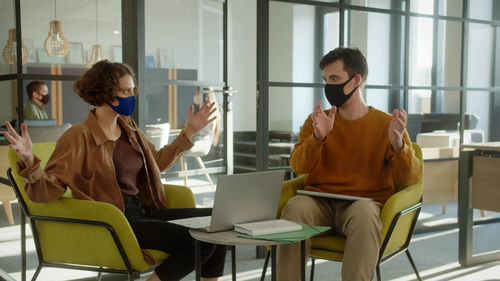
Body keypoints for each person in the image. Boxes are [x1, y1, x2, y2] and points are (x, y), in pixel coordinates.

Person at [3, 60, 226, 281]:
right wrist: (30, 160)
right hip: (116, 220)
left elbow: (155, 164)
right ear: (105, 92)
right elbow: (46, 191)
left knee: (218, 223)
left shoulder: (129, 127)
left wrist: (188, 133)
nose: (132, 96)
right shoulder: (77, 137)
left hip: (144, 211)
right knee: (201, 241)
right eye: (126, 91)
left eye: (133, 90)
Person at [276, 47, 423, 281]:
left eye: (335, 79)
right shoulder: (317, 121)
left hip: (362, 203)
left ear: (356, 80)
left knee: (365, 216)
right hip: (318, 201)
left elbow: (410, 180)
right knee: (295, 207)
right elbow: (299, 166)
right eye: (325, 80)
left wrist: (398, 146)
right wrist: (318, 138)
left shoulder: (387, 124)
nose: (328, 87)